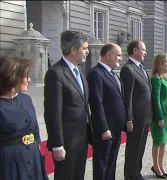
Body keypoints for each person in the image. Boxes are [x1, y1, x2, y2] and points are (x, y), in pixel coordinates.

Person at [44, 30, 91, 180]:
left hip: (81, 139)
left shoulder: (79, 71)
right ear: (73, 50)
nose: (87, 52)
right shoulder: (56, 73)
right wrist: (57, 145)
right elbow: (52, 112)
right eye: (84, 49)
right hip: (66, 142)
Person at [0, 57, 48, 180]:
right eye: (26, 76)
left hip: (32, 158)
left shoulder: (26, 99)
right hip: (9, 163)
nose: (29, 80)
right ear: (12, 77)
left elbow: (35, 130)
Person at [87, 43, 126, 180]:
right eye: (119, 55)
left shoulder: (112, 73)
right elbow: (96, 103)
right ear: (108, 55)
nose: (120, 58)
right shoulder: (96, 74)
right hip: (105, 129)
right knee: (102, 164)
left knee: (112, 162)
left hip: (116, 127)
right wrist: (104, 128)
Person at [120, 40, 153, 180]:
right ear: (135, 51)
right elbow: (128, 97)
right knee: (133, 149)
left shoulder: (140, 67)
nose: (145, 52)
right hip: (136, 118)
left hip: (145, 117)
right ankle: (130, 175)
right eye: (143, 50)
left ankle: (136, 173)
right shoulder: (128, 69)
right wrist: (129, 118)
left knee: (140, 148)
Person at [150, 53, 167, 179]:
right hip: (160, 116)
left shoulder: (164, 78)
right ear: (160, 64)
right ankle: (156, 166)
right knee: (158, 142)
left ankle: (161, 165)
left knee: (164, 142)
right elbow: (156, 100)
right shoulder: (156, 79)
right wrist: (159, 118)